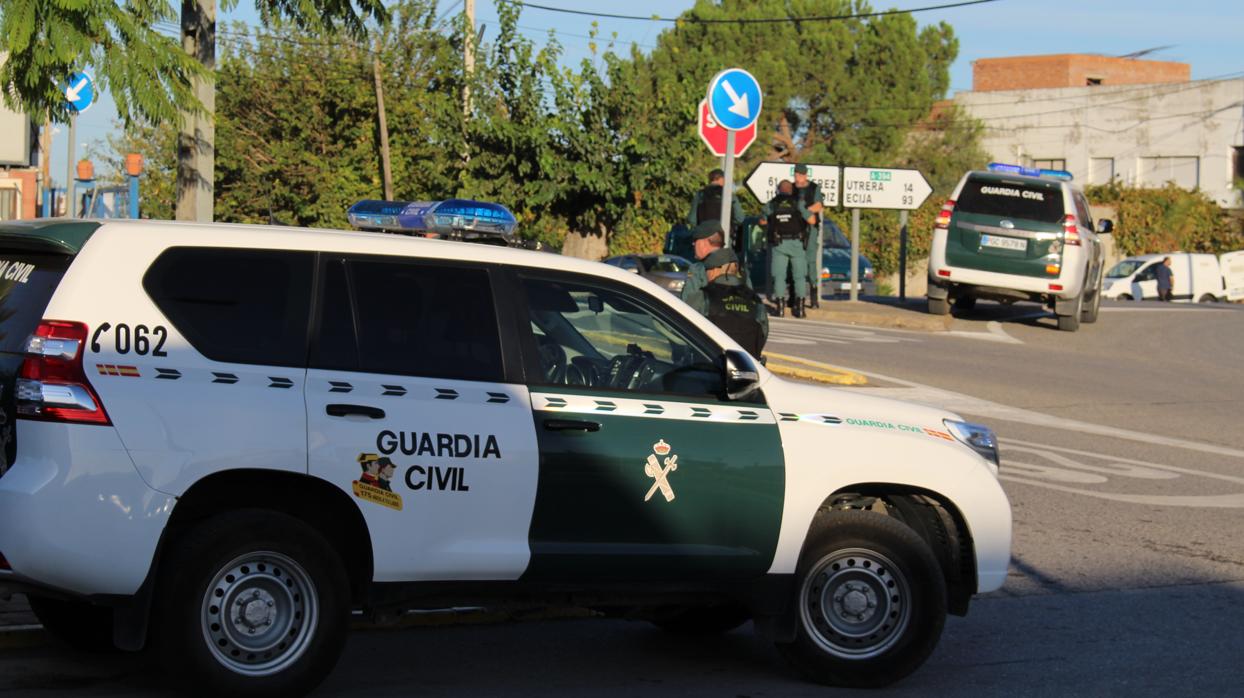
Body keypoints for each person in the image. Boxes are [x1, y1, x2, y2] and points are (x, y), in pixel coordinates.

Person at [686, 248, 768, 356]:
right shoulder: (756, 301)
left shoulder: (702, 297)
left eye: (707, 270)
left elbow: (682, 329)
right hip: (746, 367)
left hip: (711, 368)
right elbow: (762, 334)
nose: (706, 275)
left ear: (715, 270)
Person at [760, 180, 814, 318]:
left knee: (779, 277)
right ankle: (801, 309)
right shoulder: (798, 202)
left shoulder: (772, 204)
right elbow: (812, 221)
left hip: (779, 244)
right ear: (791, 190)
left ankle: (780, 309)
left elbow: (763, 221)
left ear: (779, 190)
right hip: (797, 243)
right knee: (799, 277)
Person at [792, 164, 825, 307]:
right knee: (794, 262)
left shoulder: (813, 188)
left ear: (805, 175)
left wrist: (804, 211)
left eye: (800, 175)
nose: (798, 178)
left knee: (810, 261)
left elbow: (819, 205)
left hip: (811, 228)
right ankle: (795, 296)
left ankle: (814, 296)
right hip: (794, 229)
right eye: (796, 175)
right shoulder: (791, 188)